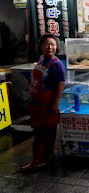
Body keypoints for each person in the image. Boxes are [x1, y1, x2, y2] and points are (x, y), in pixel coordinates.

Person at [22, 34, 65, 170]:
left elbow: (60, 85)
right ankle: (46, 157)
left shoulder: (57, 64)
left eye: (53, 44)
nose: (50, 47)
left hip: (48, 106)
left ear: (57, 47)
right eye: (46, 44)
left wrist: (55, 104)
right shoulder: (41, 60)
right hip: (37, 106)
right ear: (41, 47)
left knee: (45, 133)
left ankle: (40, 159)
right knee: (40, 132)